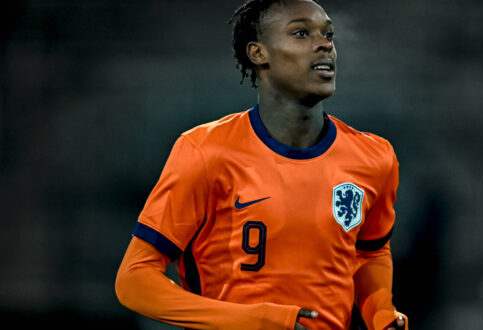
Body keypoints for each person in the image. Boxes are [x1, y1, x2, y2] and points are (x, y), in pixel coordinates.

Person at [115, 0, 408, 329]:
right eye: (301, 33)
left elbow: (370, 252)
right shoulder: (204, 151)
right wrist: (253, 321)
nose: (325, 44)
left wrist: (381, 312)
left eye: (328, 34)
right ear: (258, 53)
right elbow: (134, 280)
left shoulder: (373, 157)